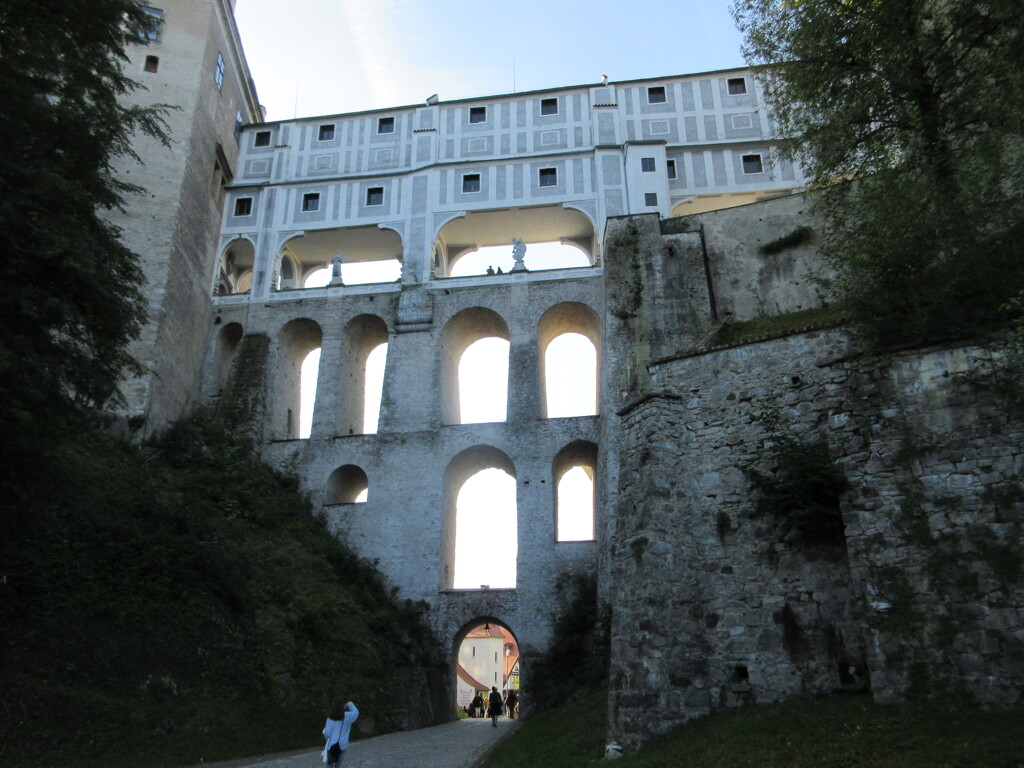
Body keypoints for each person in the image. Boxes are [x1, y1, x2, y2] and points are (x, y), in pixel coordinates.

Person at [323, 697, 359, 767]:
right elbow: (356, 712)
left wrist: (328, 740)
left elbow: (327, 733)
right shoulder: (348, 716)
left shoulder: (330, 719)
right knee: (338, 765)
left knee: (329, 764)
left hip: (331, 745)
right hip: (343, 745)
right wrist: (349, 704)